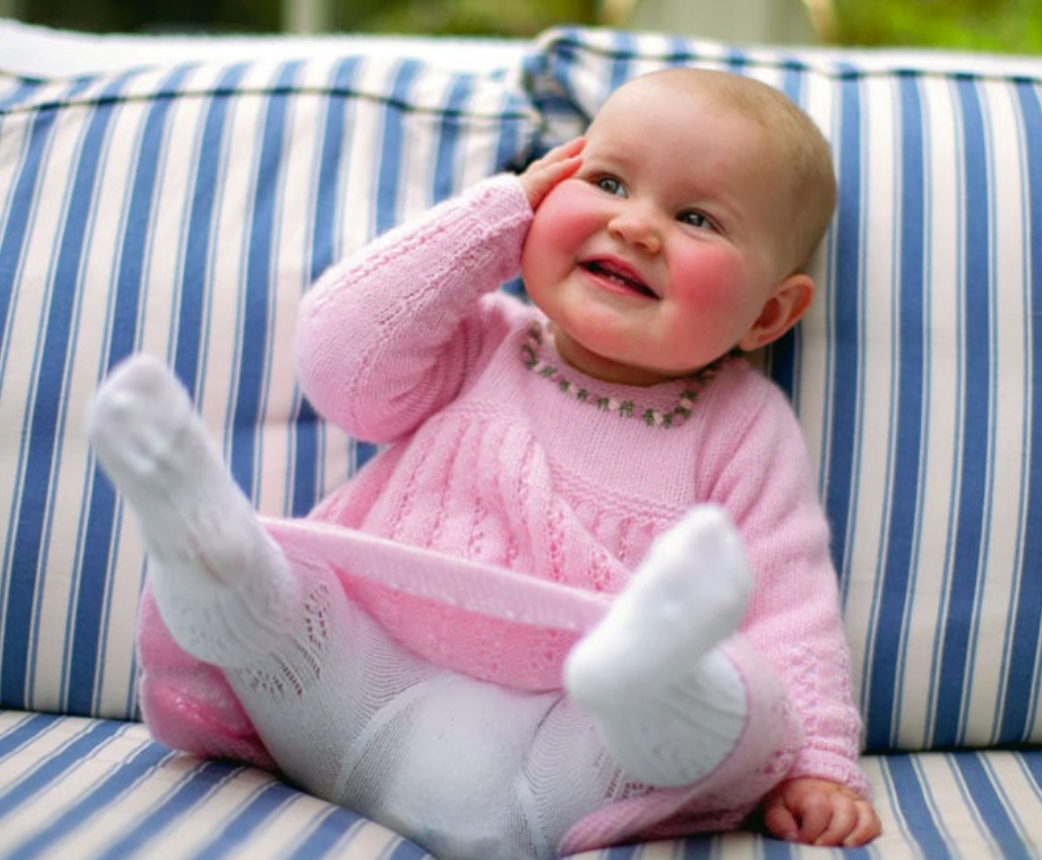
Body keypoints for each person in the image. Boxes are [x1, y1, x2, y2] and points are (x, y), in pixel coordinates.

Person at [88, 67, 882, 859]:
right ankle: (212, 559)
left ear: (770, 313)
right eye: (606, 180)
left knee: (745, 702)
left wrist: (818, 767)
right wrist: (498, 216)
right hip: (345, 691)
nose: (637, 226)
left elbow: (791, 610)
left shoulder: (740, 426)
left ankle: (649, 684)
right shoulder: (477, 339)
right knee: (285, 598)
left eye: (698, 218)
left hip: (565, 759)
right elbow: (337, 366)